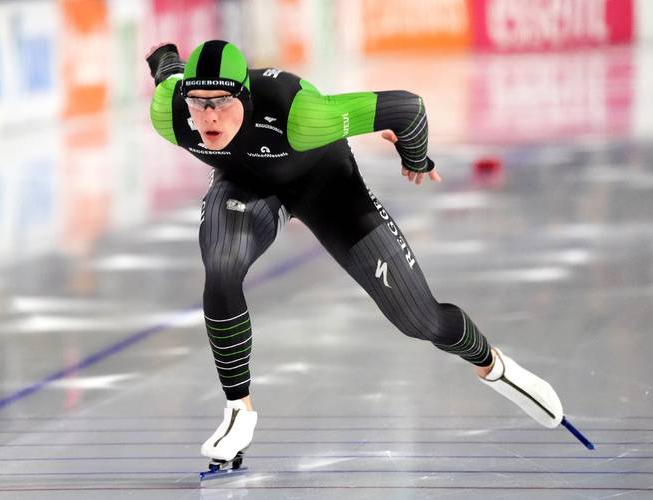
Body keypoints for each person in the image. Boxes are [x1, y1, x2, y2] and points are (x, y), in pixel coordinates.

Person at [145, 40, 564, 465]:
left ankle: (492, 365)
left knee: (419, 319)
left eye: (221, 101)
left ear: (246, 97)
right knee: (221, 266)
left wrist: (415, 157)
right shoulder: (170, 113)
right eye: (198, 102)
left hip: (325, 183)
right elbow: (169, 77)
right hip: (245, 186)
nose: (209, 116)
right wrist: (165, 60)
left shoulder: (301, 114)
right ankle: (239, 410)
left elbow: (408, 108)